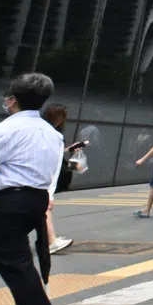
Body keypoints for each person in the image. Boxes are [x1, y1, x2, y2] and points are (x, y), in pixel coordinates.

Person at [0, 74, 64, 305]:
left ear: (12, 100)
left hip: (8, 201)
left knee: (16, 263)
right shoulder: (52, 134)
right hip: (35, 200)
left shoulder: (6, 130)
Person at [40, 102, 84, 255]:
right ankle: (51, 241)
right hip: (42, 182)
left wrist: (68, 150)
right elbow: (55, 164)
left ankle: (51, 240)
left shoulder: (41, 131)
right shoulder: (54, 136)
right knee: (43, 210)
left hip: (36, 181)